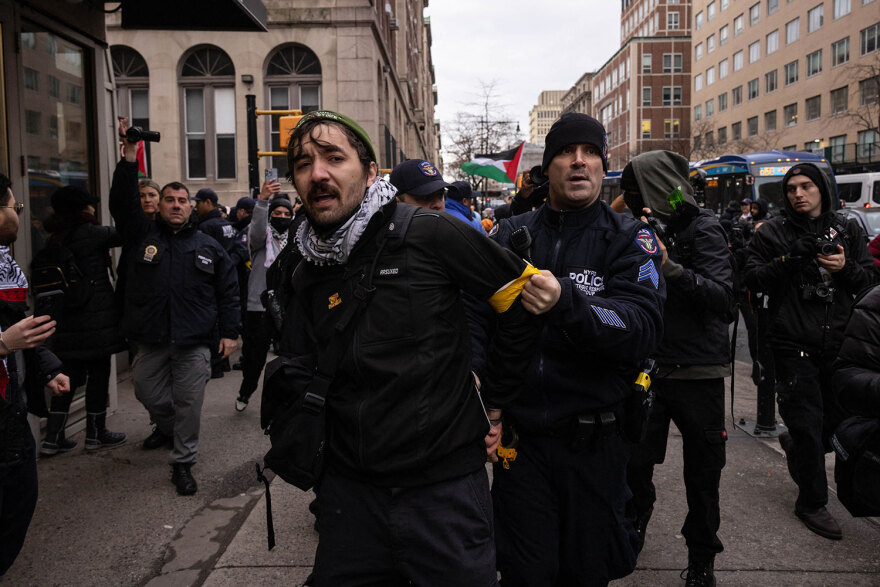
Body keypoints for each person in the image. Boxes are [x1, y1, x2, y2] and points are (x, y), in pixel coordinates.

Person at [277, 110, 539, 586]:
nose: (318, 173)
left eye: (334, 157)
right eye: (302, 164)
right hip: (351, 500)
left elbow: (520, 301)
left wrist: (495, 403)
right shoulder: (306, 266)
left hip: (444, 499)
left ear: (371, 171)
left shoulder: (430, 232)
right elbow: (303, 362)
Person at [488, 113, 666, 586]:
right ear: (548, 167)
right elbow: (475, 321)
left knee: (586, 575)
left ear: (604, 165)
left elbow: (642, 325)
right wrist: (484, 402)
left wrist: (569, 302)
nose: (579, 162)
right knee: (525, 575)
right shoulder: (511, 235)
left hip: (596, 449)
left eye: (590, 152)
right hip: (520, 449)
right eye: (567, 152)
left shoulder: (630, 238)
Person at [621, 151, 735, 586]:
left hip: (698, 374)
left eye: (637, 190)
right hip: (651, 368)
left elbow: (723, 300)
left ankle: (701, 559)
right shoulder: (640, 228)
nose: (631, 200)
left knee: (703, 477)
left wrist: (670, 267)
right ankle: (633, 529)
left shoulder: (703, 227)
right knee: (635, 464)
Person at [744, 162, 876, 540]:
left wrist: (844, 268)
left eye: (806, 187)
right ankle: (812, 502)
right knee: (806, 424)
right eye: (791, 189)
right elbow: (750, 278)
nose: (798, 194)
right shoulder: (773, 232)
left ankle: (798, 448)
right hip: (791, 344)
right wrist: (790, 259)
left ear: (821, 189)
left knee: (838, 421)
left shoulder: (847, 229)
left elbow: (869, 282)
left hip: (840, 342)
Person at [109, 119, 240, 496]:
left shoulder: (209, 246)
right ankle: (167, 427)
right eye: (170, 200)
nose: (177, 206)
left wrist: (230, 334)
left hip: (194, 340)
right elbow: (122, 202)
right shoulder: (141, 236)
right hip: (151, 338)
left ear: (192, 207)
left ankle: (183, 462)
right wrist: (130, 157)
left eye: (183, 201)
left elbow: (228, 292)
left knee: (190, 402)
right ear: (160, 206)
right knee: (148, 393)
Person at [0, 172, 70, 577]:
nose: (18, 213)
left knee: (17, 509)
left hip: (11, 417)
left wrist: (45, 368)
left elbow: (15, 329)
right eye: (13, 205)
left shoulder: (5, 264)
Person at [38, 185, 127, 455]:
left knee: (68, 378)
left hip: (66, 322)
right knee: (99, 375)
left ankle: (53, 438)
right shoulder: (93, 234)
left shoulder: (53, 238)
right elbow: (129, 233)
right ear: (83, 209)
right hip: (96, 319)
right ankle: (95, 434)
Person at [235, 181, 292, 412]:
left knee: (289, 354)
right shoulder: (260, 240)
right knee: (254, 358)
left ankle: (286, 397)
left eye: (286, 213)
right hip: (258, 308)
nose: (282, 216)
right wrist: (263, 201)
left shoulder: (296, 239)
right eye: (277, 213)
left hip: (286, 307)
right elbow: (257, 229)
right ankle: (245, 392)